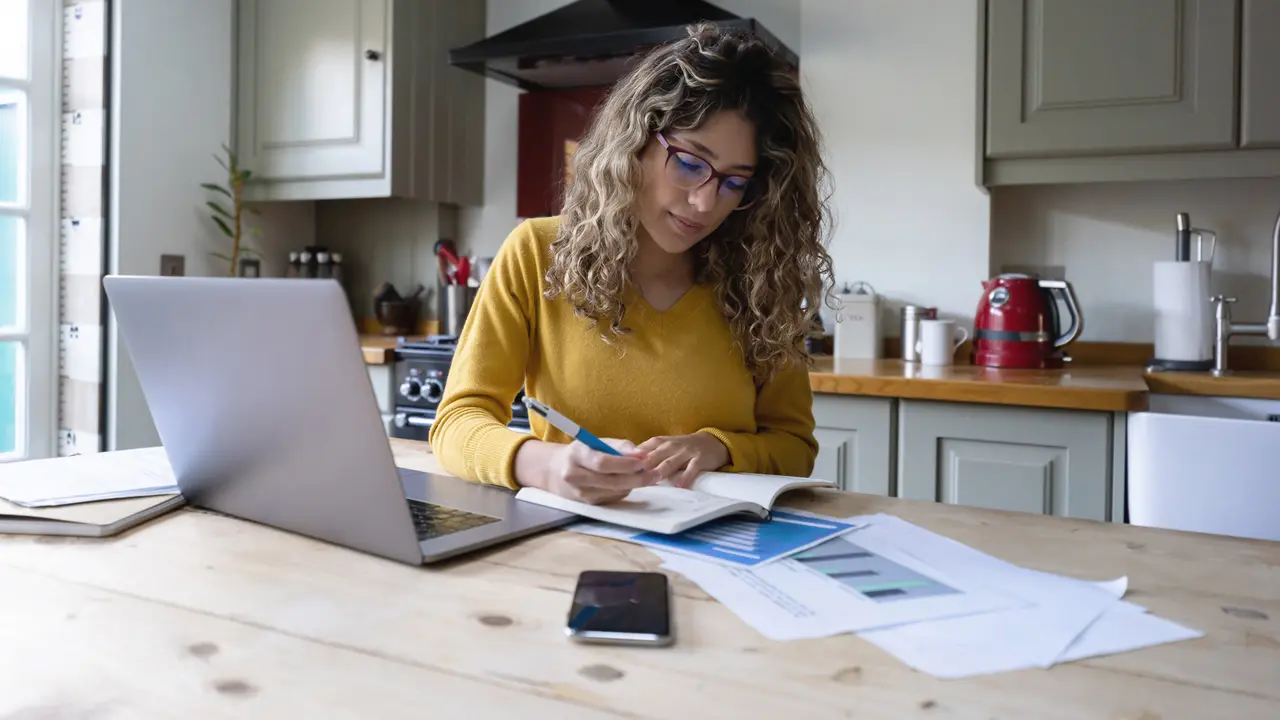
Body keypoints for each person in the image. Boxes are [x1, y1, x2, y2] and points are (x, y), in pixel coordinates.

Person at [429, 22, 835, 505]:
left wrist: (719, 448)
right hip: (564, 544)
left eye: (734, 182)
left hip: (721, 547)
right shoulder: (536, 252)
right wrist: (545, 464)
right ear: (634, 143)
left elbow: (793, 445)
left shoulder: (761, 282)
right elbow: (457, 422)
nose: (706, 203)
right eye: (689, 162)